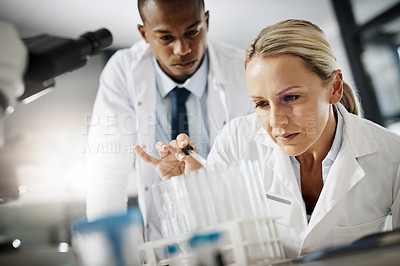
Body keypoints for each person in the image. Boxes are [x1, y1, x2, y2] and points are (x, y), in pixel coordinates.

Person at [134, 19, 400, 258]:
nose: (276, 122)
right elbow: (211, 251)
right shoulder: (237, 140)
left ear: (334, 88)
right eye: (261, 104)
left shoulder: (392, 157)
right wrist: (195, 190)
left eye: (291, 98)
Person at [85, 0, 253, 243]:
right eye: (165, 38)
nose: (182, 49)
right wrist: (109, 250)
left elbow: (259, 165)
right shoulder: (123, 71)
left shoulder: (241, 68)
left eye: (192, 32)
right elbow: (107, 169)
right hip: (161, 236)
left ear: (206, 21)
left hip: (233, 231)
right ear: (144, 34)